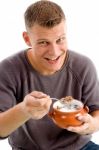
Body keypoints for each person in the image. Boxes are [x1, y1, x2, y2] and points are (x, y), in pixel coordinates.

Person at [0, 0, 99, 150]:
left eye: (60, 39)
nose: (54, 52)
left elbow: (96, 111)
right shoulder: (8, 70)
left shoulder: (83, 66)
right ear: (27, 39)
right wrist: (24, 110)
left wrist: (90, 125)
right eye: (43, 42)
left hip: (79, 147)